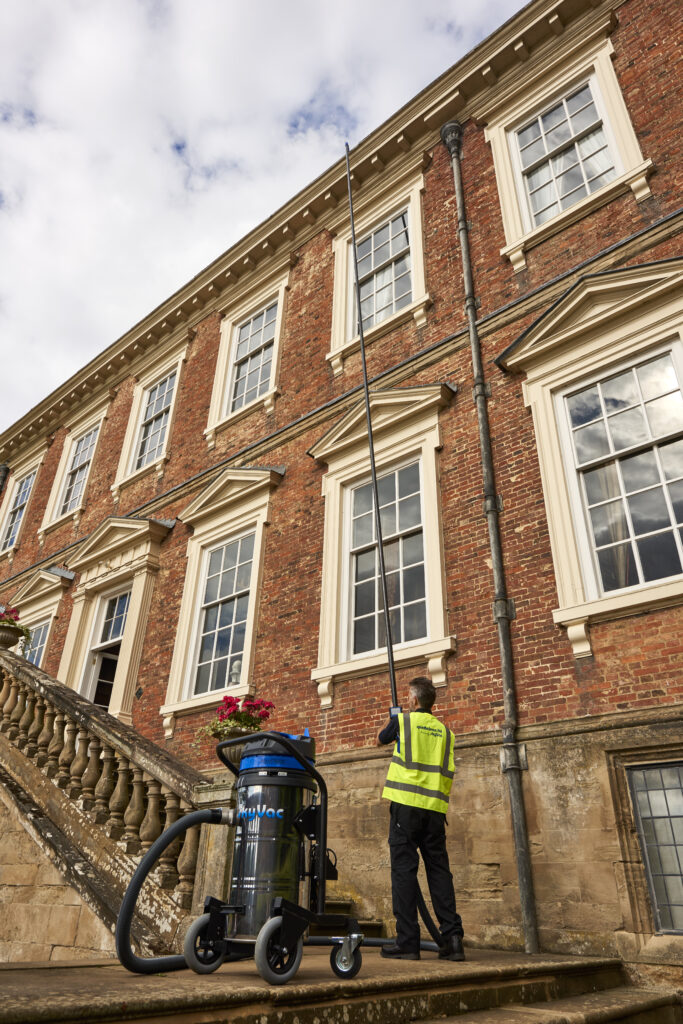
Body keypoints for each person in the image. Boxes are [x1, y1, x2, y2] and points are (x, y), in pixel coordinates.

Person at [377, 675, 464, 961]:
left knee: (404, 872)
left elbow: (379, 740)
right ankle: (453, 940)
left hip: (406, 807)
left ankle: (408, 942)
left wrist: (393, 717)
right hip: (435, 811)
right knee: (439, 871)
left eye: (408, 698)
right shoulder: (446, 732)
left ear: (414, 700)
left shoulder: (403, 722)